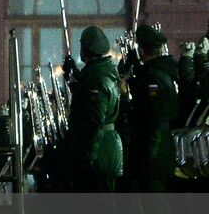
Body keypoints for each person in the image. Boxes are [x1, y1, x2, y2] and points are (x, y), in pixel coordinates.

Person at [64, 26, 123, 193]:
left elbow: (94, 120)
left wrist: (88, 158)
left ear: (85, 48)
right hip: (105, 146)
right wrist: (74, 74)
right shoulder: (101, 72)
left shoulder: (96, 80)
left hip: (99, 151)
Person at [124, 24, 178, 193]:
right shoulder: (161, 71)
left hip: (154, 146)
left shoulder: (153, 78)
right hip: (160, 143)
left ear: (142, 50)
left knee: (154, 204)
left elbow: (152, 115)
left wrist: (148, 157)